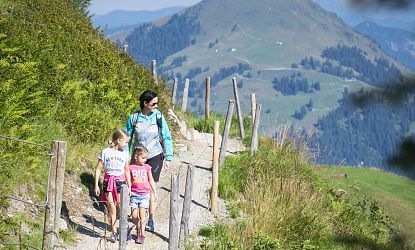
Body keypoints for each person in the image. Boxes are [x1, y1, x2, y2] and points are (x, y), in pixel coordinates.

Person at [125, 89, 173, 232]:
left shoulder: (158, 117)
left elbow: (167, 137)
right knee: (136, 185)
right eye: (154, 104)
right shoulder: (134, 118)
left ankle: (150, 218)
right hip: (137, 157)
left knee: (151, 187)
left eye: (157, 103)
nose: (156, 106)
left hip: (155, 156)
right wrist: (126, 157)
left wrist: (168, 157)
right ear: (145, 103)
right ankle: (137, 213)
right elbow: (127, 139)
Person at [94, 129, 131, 243]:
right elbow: (98, 169)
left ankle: (124, 230)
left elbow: (127, 170)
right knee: (111, 208)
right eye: (125, 142)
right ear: (118, 140)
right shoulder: (105, 152)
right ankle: (114, 233)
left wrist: (129, 186)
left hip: (120, 183)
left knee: (122, 207)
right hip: (108, 182)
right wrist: (96, 185)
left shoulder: (125, 154)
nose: (126, 144)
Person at [128, 147, 157, 244]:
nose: (145, 160)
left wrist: (154, 191)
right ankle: (138, 227)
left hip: (145, 194)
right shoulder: (130, 167)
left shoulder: (147, 167)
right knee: (134, 216)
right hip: (134, 194)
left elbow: (151, 180)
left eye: (146, 158)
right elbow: (128, 180)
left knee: (142, 216)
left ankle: (141, 234)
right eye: (143, 158)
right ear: (136, 157)